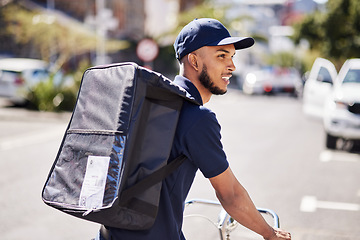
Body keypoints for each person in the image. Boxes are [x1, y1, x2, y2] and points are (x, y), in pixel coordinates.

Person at [96, 18, 291, 240]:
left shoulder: (149, 104)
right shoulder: (197, 118)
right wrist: (270, 233)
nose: (232, 66)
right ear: (194, 61)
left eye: (232, 57)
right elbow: (231, 195)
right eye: (221, 56)